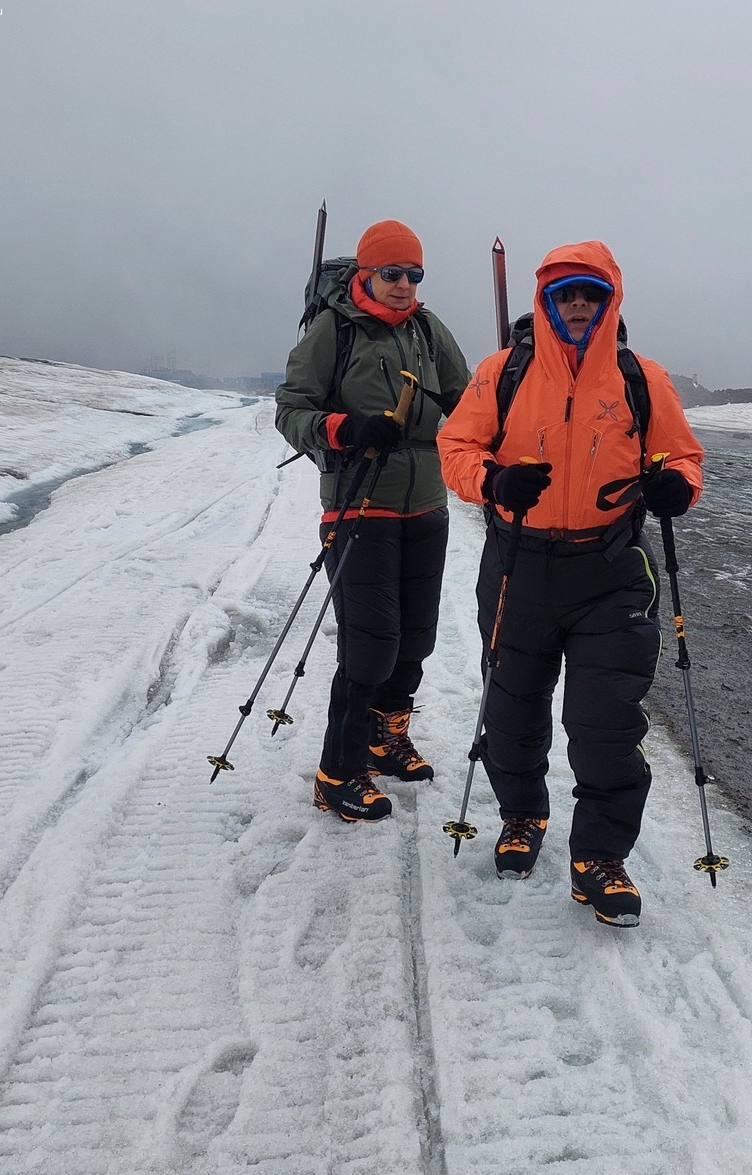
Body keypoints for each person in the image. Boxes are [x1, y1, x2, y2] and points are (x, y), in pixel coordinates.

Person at [436, 240, 704, 926]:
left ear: (609, 301)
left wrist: (677, 485)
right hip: (517, 568)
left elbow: (680, 454)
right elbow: (456, 447)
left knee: (605, 721)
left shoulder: (641, 377)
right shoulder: (503, 371)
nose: (578, 304)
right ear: (547, 302)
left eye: (590, 293)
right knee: (511, 709)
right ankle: (522, 814)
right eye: (566, 295)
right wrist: (493, 480)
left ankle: (600, 858)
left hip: (610, 570)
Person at [276, 219, 470, 824]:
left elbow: (470, 402)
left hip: (427, 504)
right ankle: (338, 771)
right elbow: (291, 410)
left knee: (415, 639)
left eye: (414, 274)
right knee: (371, 646)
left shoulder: (428, 331)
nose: (404, 284)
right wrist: (345, 428)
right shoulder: (334, 331)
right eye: (392, 273)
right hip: (359, 505)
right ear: (366, 273)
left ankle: (386, 739)